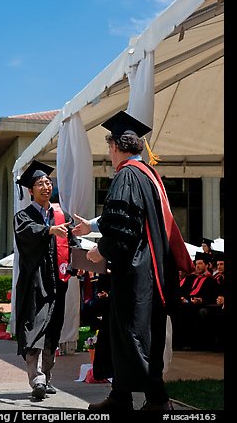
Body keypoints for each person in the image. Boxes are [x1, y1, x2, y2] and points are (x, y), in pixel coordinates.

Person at [72, 111, 194, 411]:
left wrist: (101, 250)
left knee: (133, 335)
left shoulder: (126, 175)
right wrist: (93, 225)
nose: (109, 154)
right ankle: (120, 397)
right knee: (123, 333)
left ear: (115, 145)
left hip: (136, 274)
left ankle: (158, 400)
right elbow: (128, 216)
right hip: (151, 273)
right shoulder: (148, 175)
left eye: (109, 147)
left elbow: (124, 227)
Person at [13, 160, 81, 400]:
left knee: (53, 330)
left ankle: (46, 378)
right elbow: (26, 234)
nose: (45, 186)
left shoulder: (60, 214)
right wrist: (49, 230)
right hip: (36, 282)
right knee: (34, 329)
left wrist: (80, 265)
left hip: (58, 282)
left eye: (48, 182)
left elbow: (71, 244)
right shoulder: (23, 216)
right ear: (30, 190)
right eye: (40, 183)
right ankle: (37, 379)